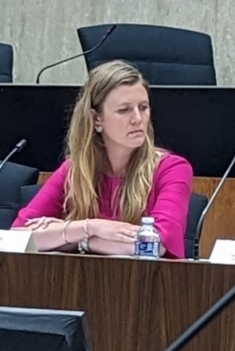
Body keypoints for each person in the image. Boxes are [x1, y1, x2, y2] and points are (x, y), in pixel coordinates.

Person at [13, 60, 194, 258]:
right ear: (96, 119)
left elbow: (154, 246)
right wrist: (92, 226)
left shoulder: (171, 168)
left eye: (143, 107)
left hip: (150, 284)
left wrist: (76, 239)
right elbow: (17, 237)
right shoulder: (74, 170)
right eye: (124, 110)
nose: (138, 119)